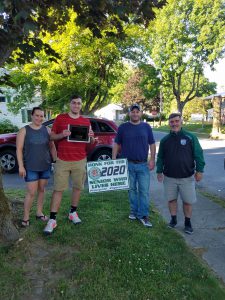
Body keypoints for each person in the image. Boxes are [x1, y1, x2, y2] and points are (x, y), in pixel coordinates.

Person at [43, 95, 95, 235]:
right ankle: (52, 220)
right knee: (58, 189)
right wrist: (62, 134)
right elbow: (52, 137)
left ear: (81, 105)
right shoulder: (60, 118)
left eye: (79, 103)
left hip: (80, 160)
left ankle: (73, 212)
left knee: (78, 188)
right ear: (69, 104)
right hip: (63, 160)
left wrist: (91, 137)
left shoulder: (85, 121)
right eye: (74, 103)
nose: (76, 105)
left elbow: (90, 144)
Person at [156, 112, 205, 234]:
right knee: (171, 200)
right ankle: (173, 220)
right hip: (169, 177)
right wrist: (159, 171)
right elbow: (161, 157)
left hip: (186, 177)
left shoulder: (190, 137)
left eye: (176, 121)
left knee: (188, 201)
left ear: (181, 121)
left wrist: (199, 170)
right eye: (172, 122)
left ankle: (187, 223)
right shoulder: (165, 140)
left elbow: (198, 154)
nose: (174, 124)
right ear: (169, 123)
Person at [112, 103, 156, 227]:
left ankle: (143, 215)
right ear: (129, 113)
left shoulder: (146, 127)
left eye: (137, 112)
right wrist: (114, 158)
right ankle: (133, 211)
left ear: (140, 113)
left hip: (143, 165)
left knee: (143, 191)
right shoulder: (123, 127)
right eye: (133, 111)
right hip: (127, 165)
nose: (135, 114)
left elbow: (152, 144)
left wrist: (152, 159)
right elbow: (116, 144)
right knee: (131, 190)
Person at [16, 107, 57, 227]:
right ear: (32, 116)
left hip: (45, 165)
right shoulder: (24, 130)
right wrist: (21, 166)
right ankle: (26, 217)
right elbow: (18, 149)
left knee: (42, 190)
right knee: (31, 192)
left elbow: (52, 146)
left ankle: (39, 213)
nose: (39, 118)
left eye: (41, 116)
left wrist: (55, 161)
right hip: (30, 167)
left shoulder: (47, 130)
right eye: (37, 115)